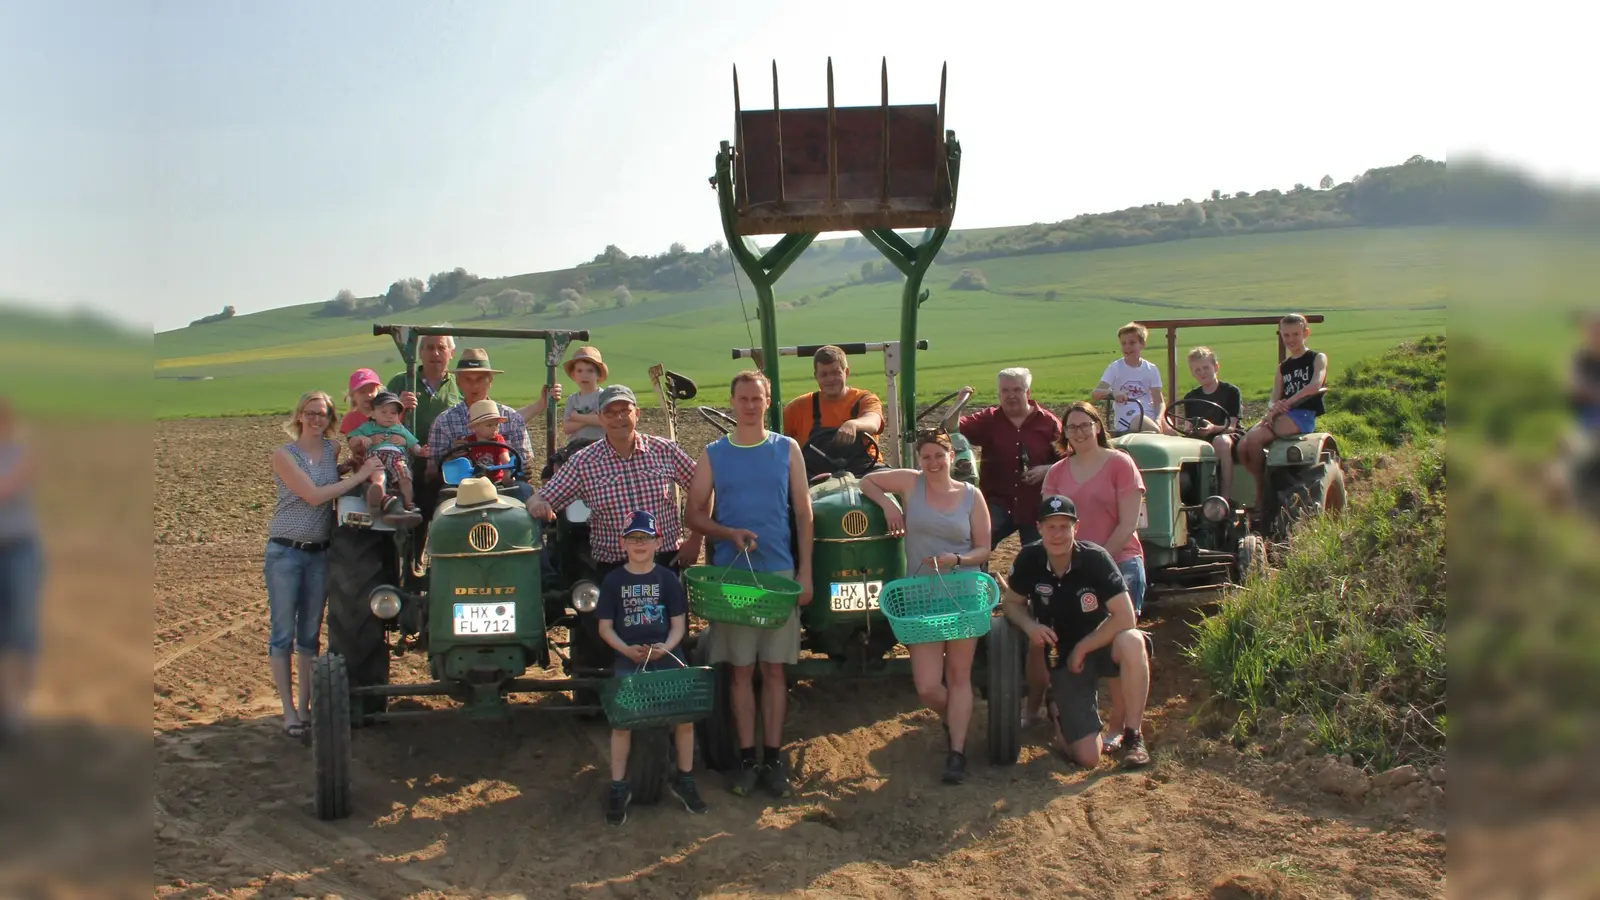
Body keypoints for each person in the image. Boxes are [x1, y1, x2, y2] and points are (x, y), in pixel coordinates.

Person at [686, 370, 814, 798]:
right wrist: (728, 533)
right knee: (740, 671)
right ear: (732, 401)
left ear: (767, 400)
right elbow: (695, 515)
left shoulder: (786, 450)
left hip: (777, 573)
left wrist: (805, 571)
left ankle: (773, 759)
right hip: (732, 576)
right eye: (742, 398)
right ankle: (745, 760)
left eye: (757, 398)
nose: (750, 405)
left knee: (774, 670)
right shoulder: (714, 454)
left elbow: (803, 515)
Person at [859, 431, 993, 785]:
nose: (933, 463)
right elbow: (867, 481)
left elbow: (984, 550)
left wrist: (957, 559)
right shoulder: (910, 483)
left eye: (940, 455)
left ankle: (957, 752)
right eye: (927, 456)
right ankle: (958, 717)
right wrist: (890, 505)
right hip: (921, 593)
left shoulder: (971, 496)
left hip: (964, 590)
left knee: (959, 675)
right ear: (919, 459)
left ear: (952, 456)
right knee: (927, 687)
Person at [1000, 495, 1153, 770]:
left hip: (1100, 642)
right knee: (1087, 758)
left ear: (1076, 528)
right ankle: (1057, 708)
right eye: (1051, 527)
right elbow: (1011, 604)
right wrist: (1030, 625)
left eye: (1064, 527)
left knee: (1132, 639)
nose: (1058, 534)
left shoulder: (1095, 558)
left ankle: (1134, 736)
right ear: (1039, 528)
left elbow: (1126, 616)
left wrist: (1084, 647)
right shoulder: (1029, 559)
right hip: (1062, 654)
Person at [267, 391, 382, 739]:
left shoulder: (332, 451)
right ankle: (288, 711)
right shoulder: (285, 455)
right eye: (311, 412)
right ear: (299, 416)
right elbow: (316, 495)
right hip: (285, 553)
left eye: (323, 413)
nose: (316, 418)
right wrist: (360, 476)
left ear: (329, 418)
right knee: (283, 633)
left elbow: (334, 476)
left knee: (310, 635)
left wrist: (353, 467)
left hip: (320, 552)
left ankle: (305, 709)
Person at [1032, 402, 1148, 738]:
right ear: (1064, 434)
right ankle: (1065, 712)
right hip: (1069, 569)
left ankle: (1121, 726)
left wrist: (1096, 563)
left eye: (1086, 425)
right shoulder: (1057, 473)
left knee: (1117, 642)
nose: (1080, 432)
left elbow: (1128, 522)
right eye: (1072, 428)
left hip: (1118, 561)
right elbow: (1049, 524)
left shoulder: (1120, 464)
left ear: (1098, 427)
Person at [595, 510, 709, 825]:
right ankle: (619, 785)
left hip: (666, 656)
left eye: (645, 538)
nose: (639, 544)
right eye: (633, 538)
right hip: (629, 657)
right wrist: (626, 650)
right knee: (623, 722)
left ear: (658, 542)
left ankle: (684, 778)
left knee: (683, 719)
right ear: (623, 544)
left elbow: (678, 627)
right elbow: (605, 628)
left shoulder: (667, 580)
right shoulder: (614, 581)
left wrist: (666, 647)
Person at [528, 385, 702, 580]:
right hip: (614, 568)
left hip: (664, 560)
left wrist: (695, 540)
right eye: (609, 413)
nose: (618, 418)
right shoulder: (583, 462)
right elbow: (538, 499)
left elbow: (703, 490)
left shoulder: (664, 450)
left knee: (672, 611)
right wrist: (540, 504)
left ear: (637, 413)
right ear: (600, 418)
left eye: (624, 411)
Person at [956, 367, 1063, 552]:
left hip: (1035, 504)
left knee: (1039, 555)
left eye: (1016, 390)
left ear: (1027, 392)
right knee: (973, 541)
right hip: (998, 501)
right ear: (999, 394)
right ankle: (980, 580)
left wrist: (1048, 470)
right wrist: (958, 405)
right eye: (1005, 390)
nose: (1010, 395)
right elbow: (953, 428)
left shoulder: (1048, 423)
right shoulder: (989, 419)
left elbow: (1071, 461)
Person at [1236, 314, 1329, 520]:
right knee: (1243, 445)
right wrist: (1274, 406)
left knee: (1257, 437)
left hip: (1302, 414)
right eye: (1286, 335)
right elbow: (1273, 398)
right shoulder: (1283, 367)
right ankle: (1261, 481)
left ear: (1305, 333)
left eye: (1295, 334)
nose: (1291, 339)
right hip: (1282, 414)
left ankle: (1263, 491)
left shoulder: (1316, 358)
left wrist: (1287, 403)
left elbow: (1315, 386)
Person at [426, 348, 553, 492]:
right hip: (461, 489)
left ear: (490, 381)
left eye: (480, 379)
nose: (474, 386)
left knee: (524, 491)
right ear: (459, 382)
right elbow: (432, 471)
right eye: (468, 379)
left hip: (504, 486)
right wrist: (451, 455)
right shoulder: (444, 422)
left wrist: (520, 470)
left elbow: (524, 465)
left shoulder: (512, 418)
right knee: (445, 494)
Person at [0, 398, 41, 741]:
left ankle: (20, 708)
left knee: (21, 629)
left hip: (17, 552)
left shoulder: (19, 455)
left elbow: (6, 489)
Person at [781, 345, 886, 480]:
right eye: (824, 374)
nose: (830, 379)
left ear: (846, 372)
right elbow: (776, 439)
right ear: (816, 376)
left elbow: (873, 421)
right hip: (815, 476)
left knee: (896, 487)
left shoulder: (864, 399)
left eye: (835, 373)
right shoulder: (798, 407)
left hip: (865, 472)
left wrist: (854, 424)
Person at [1172, 347, 1244, 497]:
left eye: (1205, 367)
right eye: (1197, 370)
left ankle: (1224, 498)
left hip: (1228, 435)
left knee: (1221, 442)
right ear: (1192, 373)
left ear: (1216, 367)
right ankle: (1188, 496)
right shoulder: (1191, 397)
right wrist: (1192, 430)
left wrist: (1212, 428)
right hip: (1203, 436)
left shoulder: (1231, 392)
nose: (1202, 372)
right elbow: (1188, 427)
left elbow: (1231, 426)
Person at [346, 391, 424, 525]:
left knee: (404, 476)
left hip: (396, 457)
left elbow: (413, 445)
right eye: (384, 412)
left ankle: (408, 504)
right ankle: (379, 496)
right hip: (376, 455)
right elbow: (352, 442)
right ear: (372, 413)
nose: (389, 416)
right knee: (379, 473)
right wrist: (363, 439)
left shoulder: (400, 429)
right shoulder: (367, 427)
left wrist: (421, 451)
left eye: (393, 413)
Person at [389, 330, 462, 463]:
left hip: (447, 464)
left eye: (441, 348)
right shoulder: (400, 382)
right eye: (430, 348)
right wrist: (398, 409)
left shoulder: (461, 385)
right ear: (420, 353)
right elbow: (378, 423)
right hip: (404, 464)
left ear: (451, 353)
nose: (435, 353)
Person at [1091, 322, 1164, 434]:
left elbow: (1159, 401)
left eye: (1132, 343)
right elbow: (1096, 393)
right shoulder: (1115, 368)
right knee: (1153, 430)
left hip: (1149, 414)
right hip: (1129, 417)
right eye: (1124, 343)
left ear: (1142, 344)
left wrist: (1159, 419)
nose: (1127, 347)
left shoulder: (1151, 369)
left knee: (1172, 433)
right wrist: (1114, 393)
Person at [561, 345, 609, 447]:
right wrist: (589, 418)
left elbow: (604, 420)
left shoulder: (604, 396)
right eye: (579, 371)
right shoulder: (572, 399)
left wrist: (577, 417)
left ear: (598, 374)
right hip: (576, 447)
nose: (584, 375)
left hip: (600, 445)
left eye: (590, 371)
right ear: (573, 375)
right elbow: (567, 428)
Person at [463, 399, 513, 484]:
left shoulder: (498, 440)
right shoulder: (467, 442)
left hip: (496, 481)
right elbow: (463, 463)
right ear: (475, 427)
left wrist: (507, 475)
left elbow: (506, 461)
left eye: (496, 424)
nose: (495, 428)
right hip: (473, 482)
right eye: (489, 425)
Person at [340, 368, 383, 436]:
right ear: (352, 395)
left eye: (371, 390)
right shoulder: (350, 419)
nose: (368, 394)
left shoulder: (384, 413)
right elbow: (352, 443)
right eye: (362, 392)